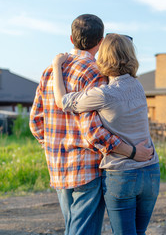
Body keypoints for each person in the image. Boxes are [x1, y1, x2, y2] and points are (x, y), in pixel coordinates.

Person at [30, 14, 153, 235]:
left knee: (73, 227)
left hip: (58, 163)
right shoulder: (96, 72)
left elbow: (36, 121)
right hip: (86, 165)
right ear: (100, 40)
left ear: (71, 38)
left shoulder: (49, 71)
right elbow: (94, 131)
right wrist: (132, 152)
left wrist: (50, 145)